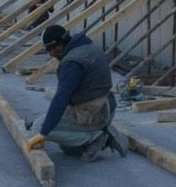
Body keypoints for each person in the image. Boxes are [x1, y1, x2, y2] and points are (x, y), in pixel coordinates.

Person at [26, 25, 127, 161]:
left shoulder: (72, 63)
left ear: (59, 45)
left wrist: (43, 132)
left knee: (38, 127)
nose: (50, 55)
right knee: (66, 147)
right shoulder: (87, 47)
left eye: (50, 50)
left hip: (94, 113)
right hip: (107, 107)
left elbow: (61, 99)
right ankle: (97, 134)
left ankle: (96, 136)